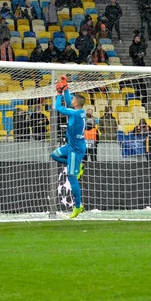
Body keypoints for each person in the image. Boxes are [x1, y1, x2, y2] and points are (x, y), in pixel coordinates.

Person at [51, 76, 86, 218]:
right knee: (54, 155)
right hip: (72, 145)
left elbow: (58, 107)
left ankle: (78, 206)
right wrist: (65, 86)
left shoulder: (75, 114)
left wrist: (58, 94)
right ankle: (78, 166)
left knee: (72, 178)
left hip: (75, 150)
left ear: (76, 103)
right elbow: (69, 99)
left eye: (72, 99)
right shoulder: (80, 111)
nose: (70, 99)